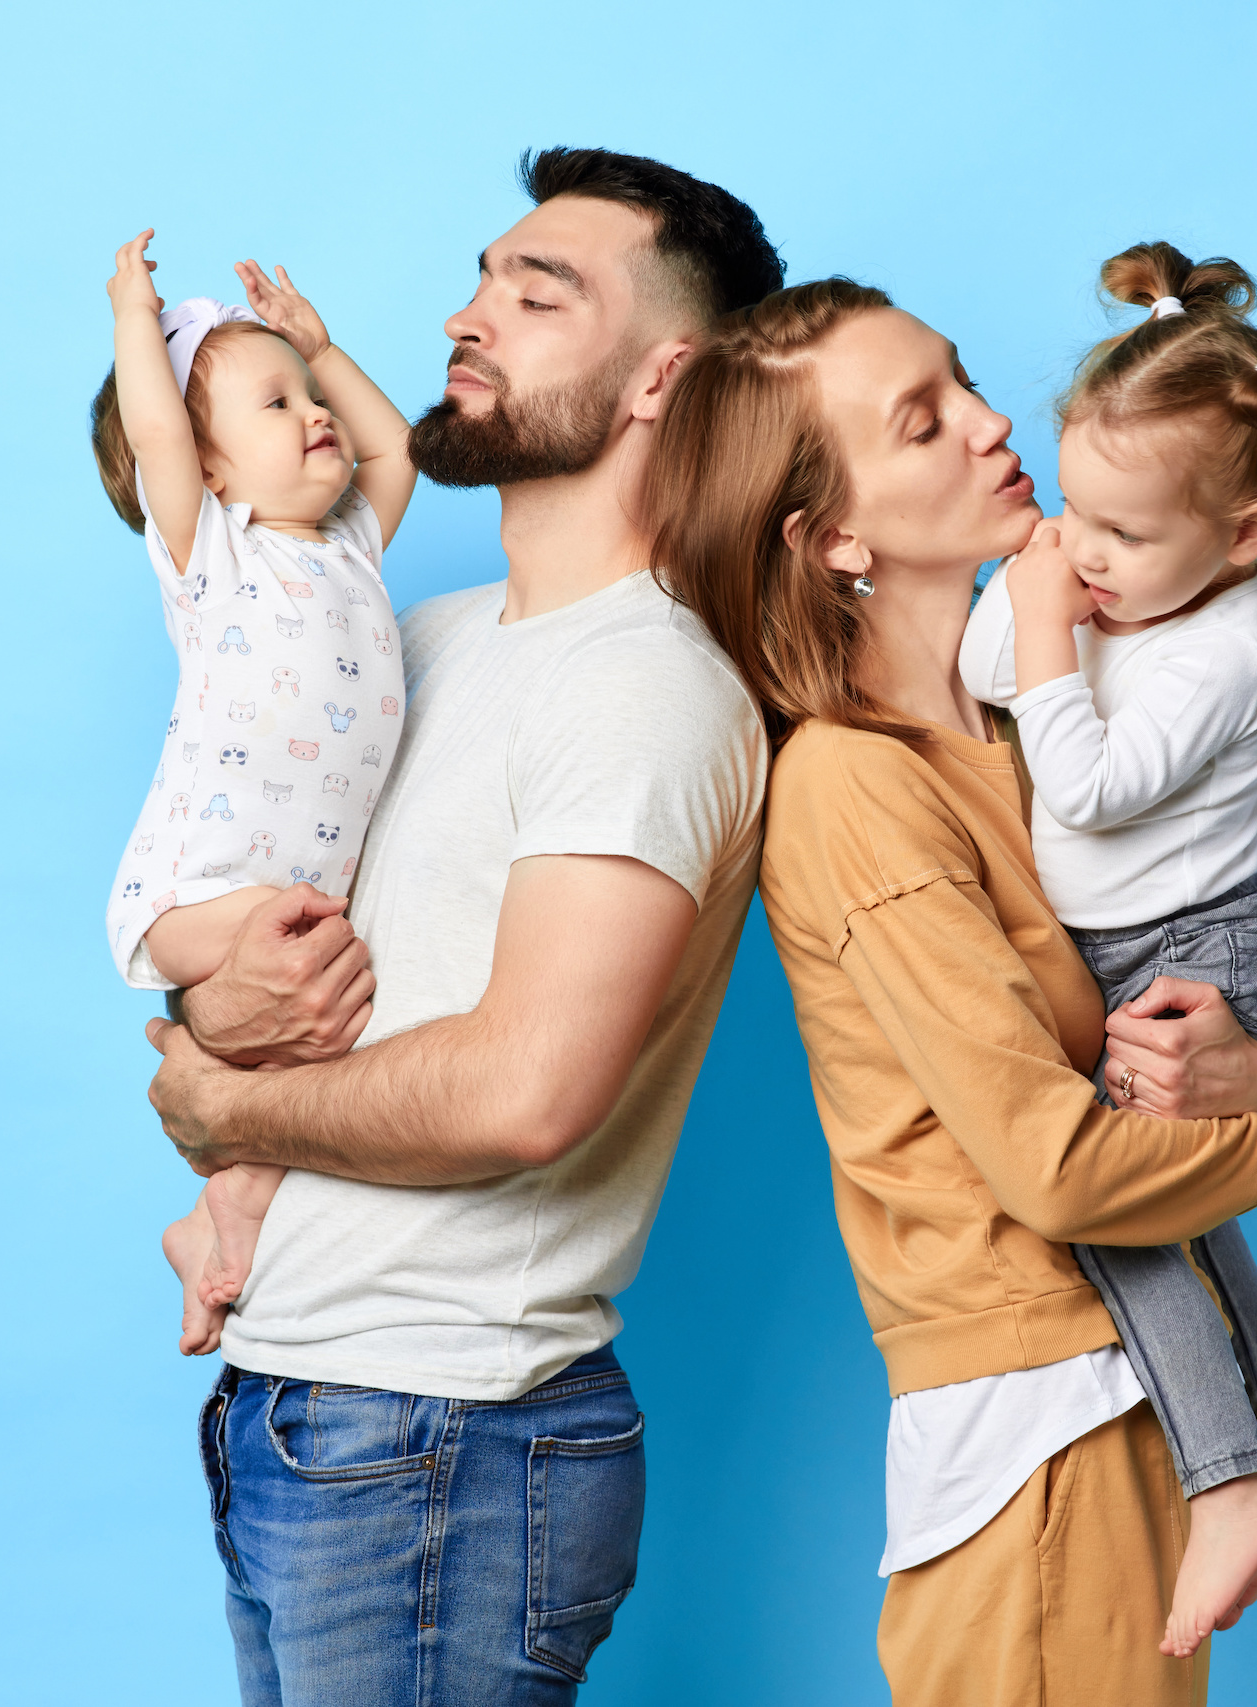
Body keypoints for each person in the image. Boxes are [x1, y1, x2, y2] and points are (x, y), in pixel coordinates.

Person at [651, 279, 1257, 1707]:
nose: (991, 425)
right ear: (834, 538)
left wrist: (1246, 1060)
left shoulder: (1029, 718)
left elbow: (1179, 951)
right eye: (924, 423)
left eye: (966, 380)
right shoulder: (858, 786)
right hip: (1041, 1422)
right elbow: (1053, 1162)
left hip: (1133, 1394)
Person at [138, 148, 783, 1706]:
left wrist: (218, 1097)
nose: (465, 315)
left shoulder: (646, 685)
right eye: (485, 276)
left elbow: (523, 1092)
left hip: (446, 1436)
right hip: (305, 1406)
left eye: (535, 292)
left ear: (662, 378)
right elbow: (275, 956)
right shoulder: (416, 641)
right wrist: (206, 1029)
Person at [954, 239, 1257, 1654]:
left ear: (1243, 535)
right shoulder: (1110, 589)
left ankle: (1233, 1478)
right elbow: (983, 666)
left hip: (1208, 950)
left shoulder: (1221, 648)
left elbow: (1096, 782)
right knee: (1187, 1220)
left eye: (1122, 533)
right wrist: (1048, 601)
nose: (1083, 551)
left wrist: (1048, 619)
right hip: (1136, 945)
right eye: (1072, 509)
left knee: (1121, 1214)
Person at [93, 235, 416, 1356]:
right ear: (212, 467)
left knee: (301, 1074)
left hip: (291, 905)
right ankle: (222, 1210)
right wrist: (137, 317)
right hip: (200, 892)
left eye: (312, 397)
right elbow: (152, 431)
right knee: (309, 971)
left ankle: (214, 1230)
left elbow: (397, 449)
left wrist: (324, 350)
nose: (315, 413)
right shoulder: (213, 555)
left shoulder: (351, 546)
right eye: (276, 403)